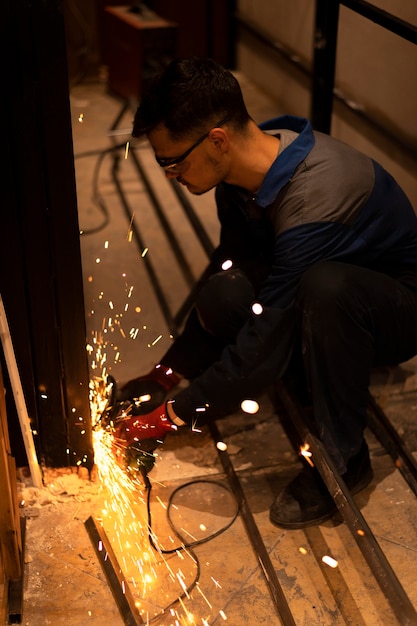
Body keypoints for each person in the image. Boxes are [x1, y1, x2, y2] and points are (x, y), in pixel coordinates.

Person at [114, 56, 417, 529]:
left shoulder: (316, 200)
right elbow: (232, 270)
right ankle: (310, 362)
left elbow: (262, 342)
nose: (170, 176)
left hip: (393, 310)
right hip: (318, 296)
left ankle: (345, 459)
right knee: (223, 291)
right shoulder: (235, 177)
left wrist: (164, 420)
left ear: (217, 139)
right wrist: (167, 374)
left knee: (325, 289)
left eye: (173, 162)